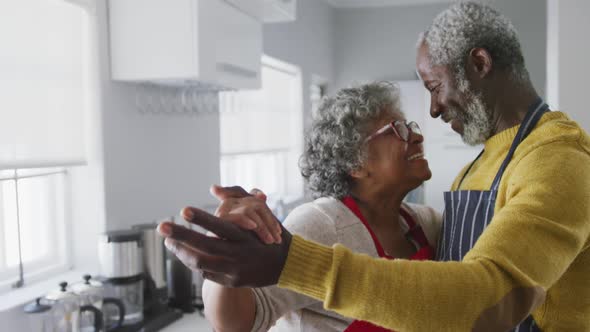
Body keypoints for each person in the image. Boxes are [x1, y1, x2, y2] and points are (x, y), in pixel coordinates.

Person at [158, 2, 590, 331]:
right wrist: (229, 259)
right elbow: (240, 316)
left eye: (435, 87)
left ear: (480, 64)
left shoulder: (557, 162)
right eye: (398, 128)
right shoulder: (479, 165)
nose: (433, 113)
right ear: (355, 163)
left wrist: (296, 262)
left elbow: (484, 295)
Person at [201, 82, 441, 332]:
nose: (417, 136)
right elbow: (235, 322)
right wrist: (228, 249)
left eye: (410, 126)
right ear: (355, 163)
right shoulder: (320, 224)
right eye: (397, 129)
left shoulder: (426, 223)